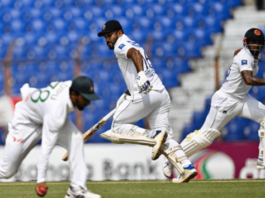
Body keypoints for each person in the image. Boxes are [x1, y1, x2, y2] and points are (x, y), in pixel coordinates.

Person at [97, 20, 197, 183]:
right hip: (160, 94)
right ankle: (186, 167)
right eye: (105, 37)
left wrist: (141, 75)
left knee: (116, 127)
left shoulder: (121, 44)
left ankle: (153, 135)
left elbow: (134, 54)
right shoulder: (129, 41)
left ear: (119, 33)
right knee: (166, 139)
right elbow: (135, 60)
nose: (107, 39)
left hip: (145, 95)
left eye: (110, 35)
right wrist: (128, 92)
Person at [164, 28, 265, 175]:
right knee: (205, 137)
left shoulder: (247, 54)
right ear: (246, 43)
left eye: (259, 43)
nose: (256, 46)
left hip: (242, 99)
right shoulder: (245, 56)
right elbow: (248, 79)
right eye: (253, 43)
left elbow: (236, 53)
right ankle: (171, 156)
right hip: (226, 101)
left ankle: (262, 158)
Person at [0, 76, 102, 198]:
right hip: (26, 122)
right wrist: (41, 180)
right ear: (74, 94)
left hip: (44, 114)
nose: (88, 102)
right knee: (6, 172)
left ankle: (76, 189)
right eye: (85, 98)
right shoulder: (56, 112)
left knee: (76, 139)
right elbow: (46, 148)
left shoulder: (71, 87)